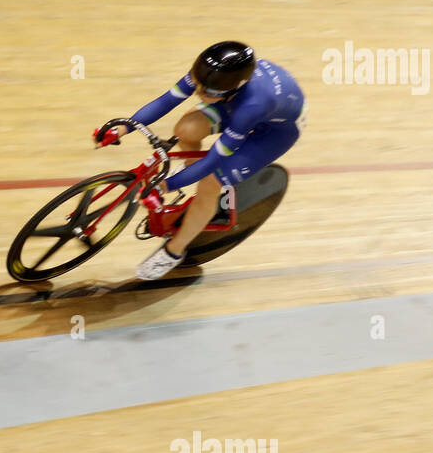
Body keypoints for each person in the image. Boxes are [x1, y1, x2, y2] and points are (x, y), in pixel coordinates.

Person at [102, 42, 304, 280]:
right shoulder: (210, 73)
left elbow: (212, 160)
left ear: (230, 90)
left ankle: (174, 252)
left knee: (210, 181)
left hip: (274, 131)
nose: (198, 93)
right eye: (198, 85)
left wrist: (166, 186)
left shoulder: (253, 105)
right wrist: (123, 129)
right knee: (186, 129)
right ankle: (191, 177)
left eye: (207, 92)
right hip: (235, 106)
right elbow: (167, 100)